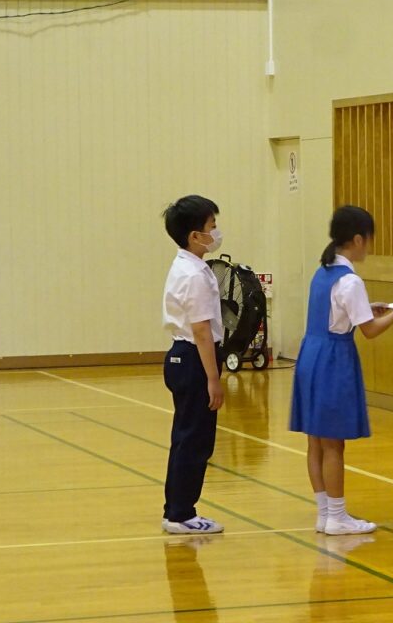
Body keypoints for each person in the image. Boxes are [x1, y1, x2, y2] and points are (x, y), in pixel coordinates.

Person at [290, 205, 393, 535]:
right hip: (333, 359)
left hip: (311, 355)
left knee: (316, 441)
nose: (369, 247)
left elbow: (338, 313)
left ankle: (325, 514)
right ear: (358, 239)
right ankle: (338, 517)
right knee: (334, 444)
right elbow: (370, 331)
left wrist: (367, 309)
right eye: (369, 239)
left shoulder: (322, 272)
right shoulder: (350, 280)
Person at [160, 195, 227, 535]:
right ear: (195, 236)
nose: (216, 232)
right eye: (212, 226)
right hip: (192, 359)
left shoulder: (189, 267)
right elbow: (201, 331)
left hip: (183, 357)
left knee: (186, 438)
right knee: (195, 441)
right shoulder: (194, 275)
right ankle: (181, 513)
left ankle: (176, 509)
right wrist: (213, 379)